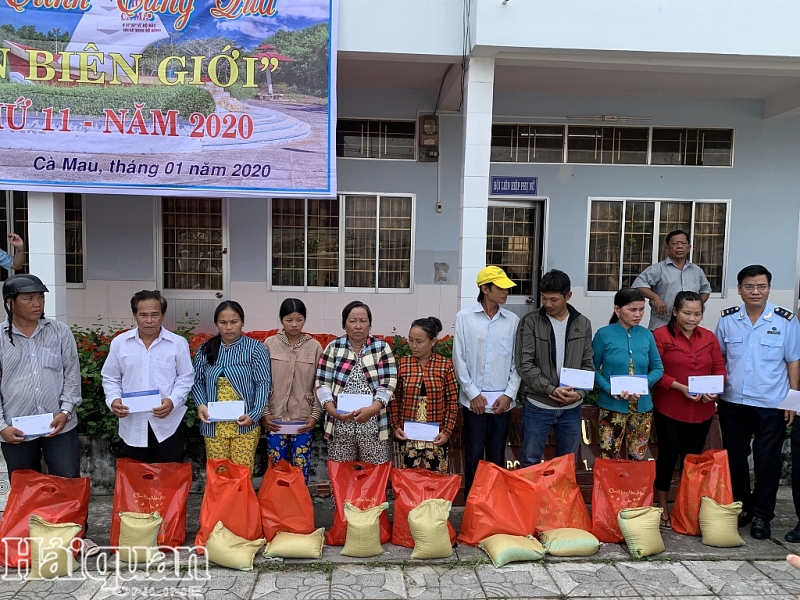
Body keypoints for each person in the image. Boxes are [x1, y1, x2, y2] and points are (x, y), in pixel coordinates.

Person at [0, 274, 98, 556]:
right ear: (10, 302)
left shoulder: (59, 332)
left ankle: (76, 537)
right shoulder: (1, 338)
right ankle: (31, 540)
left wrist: (66, 410)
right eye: (29, 298)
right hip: (16, 430)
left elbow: (71, 375)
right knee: (24, 484)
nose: (37, 303)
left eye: (40, 297)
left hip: (60, 426)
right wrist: (1, 427)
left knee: (67, 481)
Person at [715, 265, 800, 541]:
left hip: (771, 403)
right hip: (733, 401)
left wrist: (793, 400)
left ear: (769, 289)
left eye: (761, 286)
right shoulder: (728, 319)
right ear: (739, 289)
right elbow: (720, 358)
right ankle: (743, 507)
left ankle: (763, 515)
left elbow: (793, 360)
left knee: (767, 462)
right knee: (736, 459)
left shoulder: (785, 320)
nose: (755, 291)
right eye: (749, 286)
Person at [652, 291, 725, 529]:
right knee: (668, 456)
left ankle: (686, 506)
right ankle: (662, 504)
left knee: (692, 460)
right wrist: (680, 387)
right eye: (687, 313)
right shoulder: (661, 336)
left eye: (697, 314)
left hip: (702, 410)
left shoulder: (709, 337)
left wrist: (715, 390)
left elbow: (718, 367)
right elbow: (656, 370)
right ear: (675, 312)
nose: (693, 319)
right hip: (670, 408)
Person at [102, 290, 194, 463]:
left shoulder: (178, 343)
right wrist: (113, 399)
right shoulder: (120, 343)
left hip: (168, 425)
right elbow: (111, 377)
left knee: (167, 482)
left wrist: (173, 401)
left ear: (163, 315)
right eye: (143, 315)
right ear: (134, 315)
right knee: (135, 482)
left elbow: (185, 377)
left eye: (155, 315)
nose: (149, 320)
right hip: (132, 425)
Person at [515, 269, 594, 467]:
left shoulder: (582, 323)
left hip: (572, 407)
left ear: (568, 296)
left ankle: (561, 500)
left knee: (566, 464)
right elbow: (524, 364)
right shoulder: (530, 322)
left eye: (554, 299)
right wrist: (550, 389)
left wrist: (581, 393)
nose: (548, 304)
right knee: (531, 461)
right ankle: (531, 499)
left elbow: (588, 363)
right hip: (538, 405)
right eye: (544, 298)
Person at [453, 266, 521, 496]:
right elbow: (459, 359)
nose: (506, 293)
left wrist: (509, 394)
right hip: (474, 403)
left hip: (502, 403)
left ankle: (495, 505)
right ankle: (473, 506)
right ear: (485, 288)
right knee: (472, 455)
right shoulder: (464, 318)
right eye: (500, 287)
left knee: (497, 455)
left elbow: (517, 362)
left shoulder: (512, 321)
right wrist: (472, 393)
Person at [193, 301, 271, 474]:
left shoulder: (255, 349)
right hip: (213, 425)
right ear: (216, 324)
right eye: (223, 322)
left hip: (244, 423)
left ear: (242, 322)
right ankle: (219, 503)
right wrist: (200, 405)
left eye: (234, 322)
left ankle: (241, 502)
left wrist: (255, 414)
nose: (229, 327)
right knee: (217, 473)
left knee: (241, 473)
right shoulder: (206, 349)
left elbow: (263, 383)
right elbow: (197, 381)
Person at [315, 301, 397, 464]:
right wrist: (332, 411)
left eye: (363, 321)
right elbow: (322, 382)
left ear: (370, 325)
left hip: (373, 425)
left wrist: (372, 409)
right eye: (352, 321)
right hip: (340, 426)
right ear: (344, 325)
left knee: (373, 477)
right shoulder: (334, 347)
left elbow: (388, 382)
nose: (358, 326)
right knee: (342, 478)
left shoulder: (381, 348)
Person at [592, 288, 664, 461]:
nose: (638, 314)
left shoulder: (646, 335)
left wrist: (644, 384)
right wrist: (610, 389)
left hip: (642, 407)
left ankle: (633, 489)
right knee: (609, 456)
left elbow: (658, 368)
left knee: (637, 458)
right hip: (612, 406)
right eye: (632, 310)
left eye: (641, 309)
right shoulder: (604, 334)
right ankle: (611, 490)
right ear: (617, 309)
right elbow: (591, 369)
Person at [390, 316, 458, 474]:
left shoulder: (444, 365)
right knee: (408, 482)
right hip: (407, 435)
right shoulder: (404, 364)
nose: (413, 346)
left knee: (435, 483)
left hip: (436, 435)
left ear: (433, 341)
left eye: (419, 341)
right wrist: (396, 426)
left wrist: (446, 431)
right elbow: (394, 398)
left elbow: (452, 401)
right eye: (410, 340)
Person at [263, 298, 322, 481]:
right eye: (289, 320)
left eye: (299, 319)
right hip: (275, 417)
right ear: (281, 319)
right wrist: (264, 412)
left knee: (300, 468)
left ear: (305, 319)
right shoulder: (269, 344)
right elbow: (262, 381)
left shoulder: (314, 347)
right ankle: (276, 507)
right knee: (276, 467)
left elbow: (320, 384)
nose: (294, 325)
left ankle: (298, 506)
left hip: (302, 418)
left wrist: (314, 415)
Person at [633, 229, 712, 331]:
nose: (679, 246)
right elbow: (639, 285)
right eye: (675, 243)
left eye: (683, 243)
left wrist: (696, 305)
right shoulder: (658, 269)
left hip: (688, 328)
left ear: (689, 248)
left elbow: (705, 290)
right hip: (661, 326)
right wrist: (656, 298)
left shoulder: (697, 271)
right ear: (667, 248)